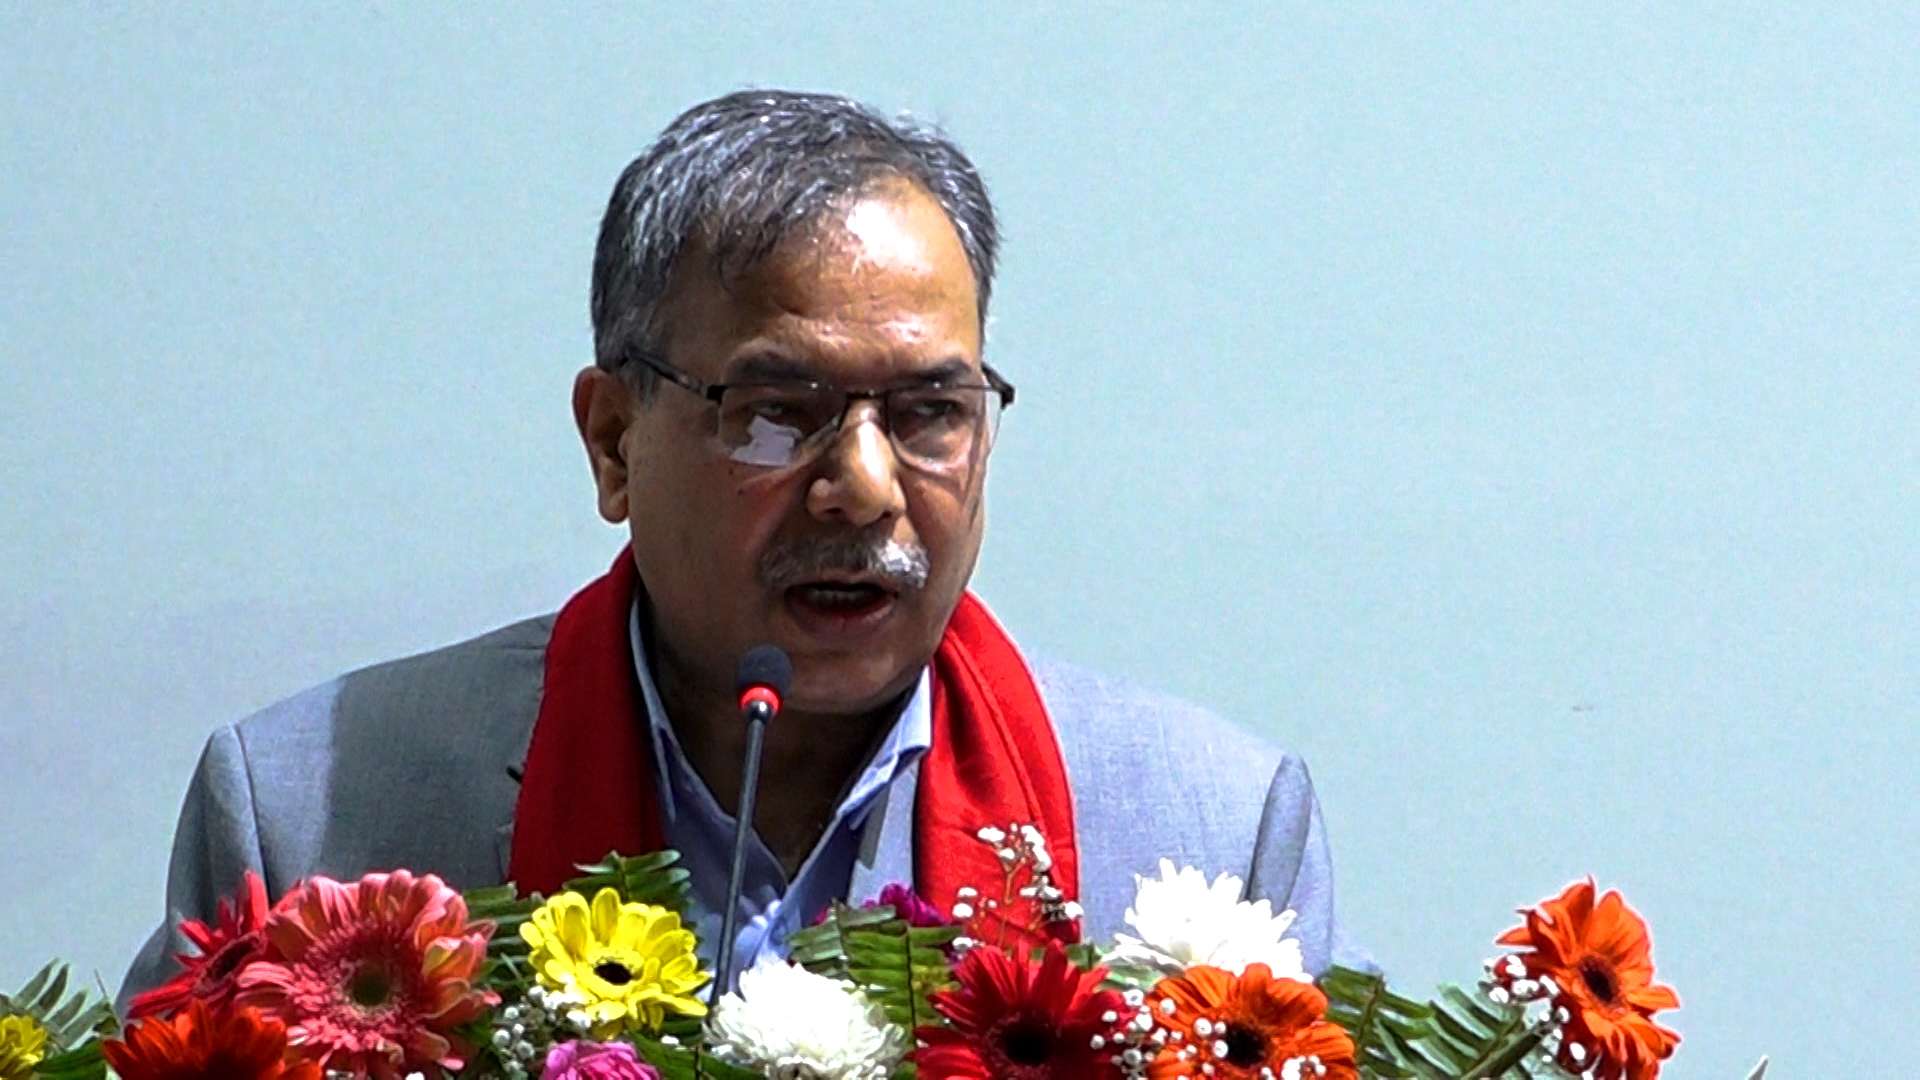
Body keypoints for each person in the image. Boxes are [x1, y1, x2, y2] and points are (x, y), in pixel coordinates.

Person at [119, 89, 1361, 1009]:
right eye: (776, 413)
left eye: (931, 413)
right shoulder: (307, 824)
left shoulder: (1214, 838)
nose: (863, 488)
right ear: (614, 442)